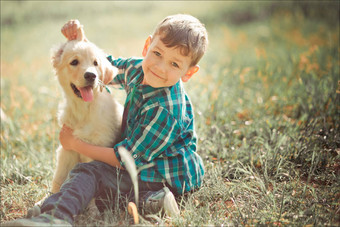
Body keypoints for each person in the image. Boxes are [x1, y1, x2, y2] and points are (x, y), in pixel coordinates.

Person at [3, 14, 208, 226]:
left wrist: (75, 144)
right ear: (147, 46)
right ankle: (152, 202)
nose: (160, 67)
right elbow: (102, 67)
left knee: (89, 172)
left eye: (174, 64)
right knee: (104, 188)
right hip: (146, 163)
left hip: (166, 174)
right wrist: (81, 42)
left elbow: (125, 158)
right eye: (157, 53)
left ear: (188, 73)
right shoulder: (140, 69)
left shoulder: (165, 110)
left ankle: (55, 217)